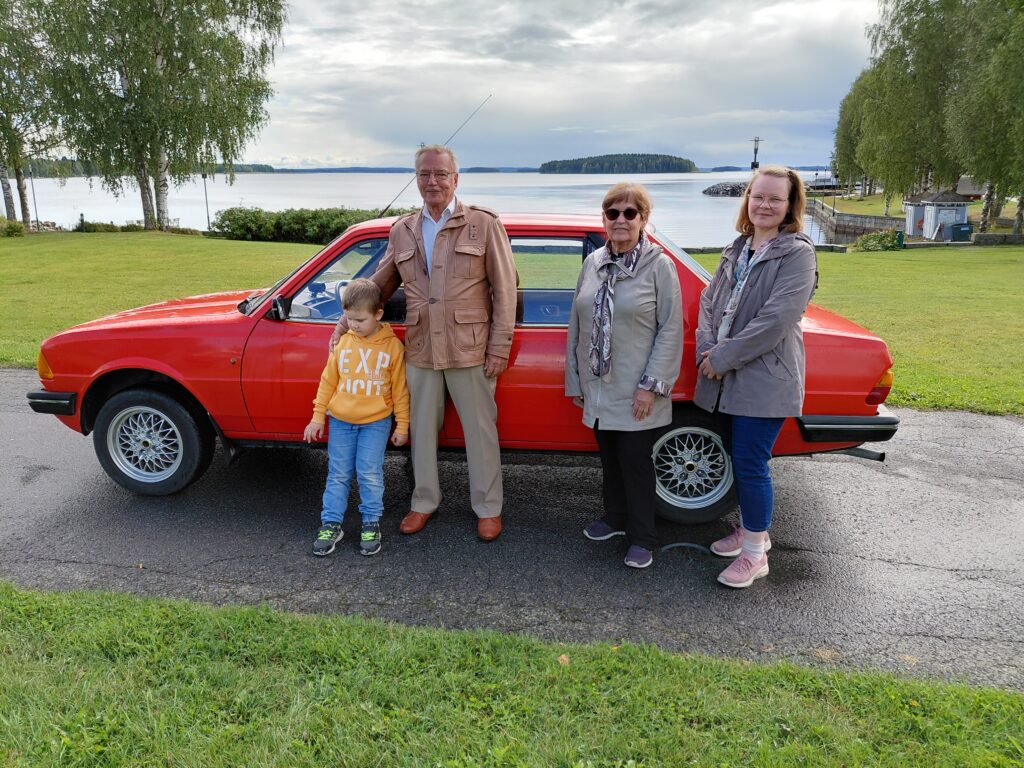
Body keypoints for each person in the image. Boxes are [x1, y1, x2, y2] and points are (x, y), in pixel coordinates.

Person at [329, 145, 517, 541]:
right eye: (424, 174)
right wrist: (345, 321)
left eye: (441, 174)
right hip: (420, 349)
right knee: (420, 433)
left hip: (471, 347)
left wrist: (499, 345)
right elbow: (380, 283)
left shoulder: (483, 224)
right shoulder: (403, 229)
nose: (432, 181)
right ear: (416, 179)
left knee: (481, 434)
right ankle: (423, 502)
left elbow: (505, 289)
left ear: (455, 179)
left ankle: (488, 508)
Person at [695, 165, 818, 588]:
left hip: (765, 378)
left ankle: (754, 557)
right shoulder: (737, 248)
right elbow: (709, 303)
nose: (764, 205)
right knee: (737, 456)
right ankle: (754, 536)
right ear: (747, 199)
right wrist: (706, 350)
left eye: (775, 199)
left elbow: (776, 320)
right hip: (725, 376)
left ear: (790, 206)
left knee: (751, 465)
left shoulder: (798, 253)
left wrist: (722, 357)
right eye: (758, 196)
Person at [565, 183, 683, 569]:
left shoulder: (658, 266)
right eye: (612, 212)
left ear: (643, 219)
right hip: (599, 388)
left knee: (634, 461)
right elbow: (576, 326)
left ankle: (643, 537)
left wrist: (651, 387)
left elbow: (670, 330)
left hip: (637, 388)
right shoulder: (593, 263)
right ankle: (615, 518)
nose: (620, 219)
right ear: (603, 219)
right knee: (609, 458)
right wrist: (576, 380)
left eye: (630, 213)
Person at [305, 278, 410, 557]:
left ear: (378, 314)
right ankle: (331, 523)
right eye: (349, 318)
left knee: (369, 473)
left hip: (376, 423)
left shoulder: (392, 348)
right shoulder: (343, 344)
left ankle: (371, 522)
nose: (353, 325)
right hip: (340, 421)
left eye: (360, 320)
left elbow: (400, 390)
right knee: (338, 473)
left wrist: (403, 424)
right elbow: (328, 382)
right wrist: (317, 417)